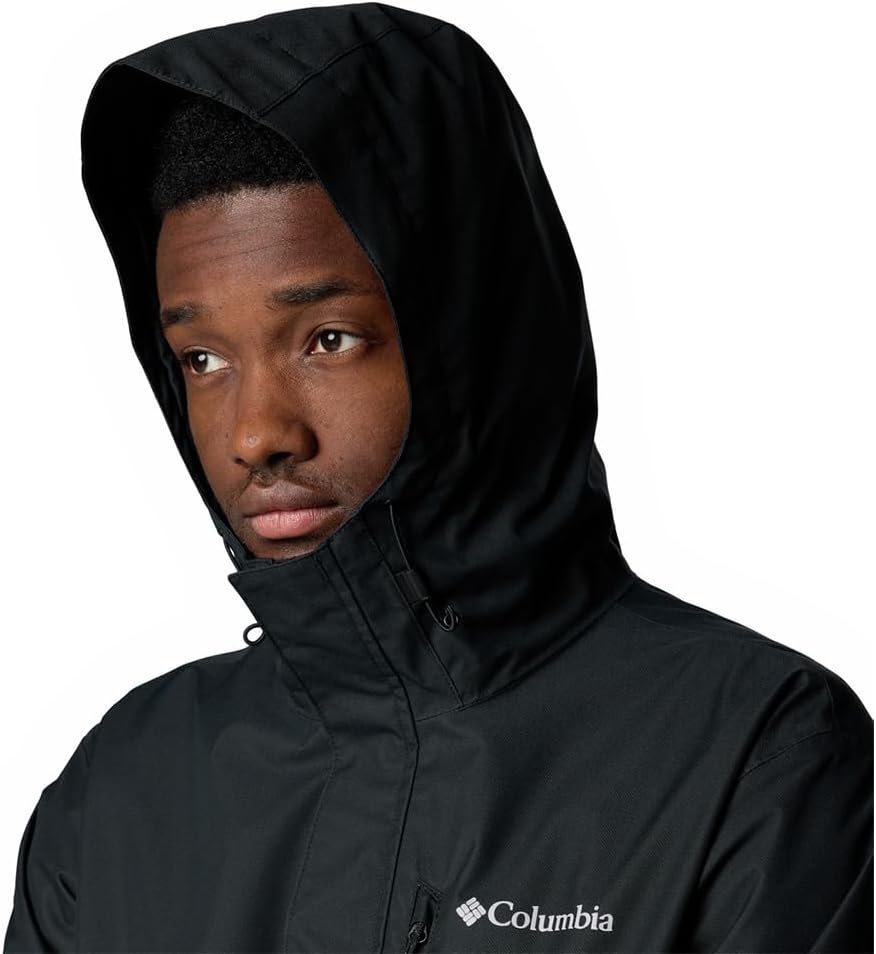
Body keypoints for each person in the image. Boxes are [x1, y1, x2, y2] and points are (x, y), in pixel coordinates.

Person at [4, 3, 872, 952]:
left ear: (474, 339)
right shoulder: (123, 782)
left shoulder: (757, 749)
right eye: (203, 360)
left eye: (329, 340)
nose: (256, 435)